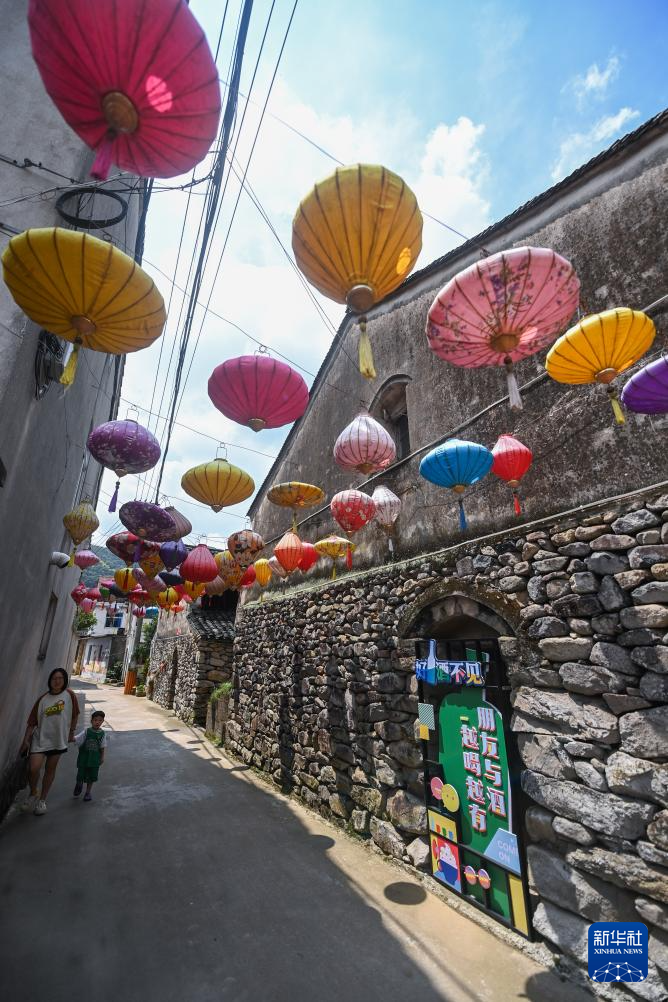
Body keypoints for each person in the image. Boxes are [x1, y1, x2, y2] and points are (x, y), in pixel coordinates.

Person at [20, 668, 80, 816]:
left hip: (58, 740)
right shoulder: (43, 699)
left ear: (64, 680)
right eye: (54, 678)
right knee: (33, 769)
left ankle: (42, 801)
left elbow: (75, 715)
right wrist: (26, 740)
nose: (57, 681)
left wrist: (71, 732)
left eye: (60, 678)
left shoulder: (69, 695)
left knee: (50, 770)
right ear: (50, 681)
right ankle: (33, 792)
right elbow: (32, 722)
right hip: (40, 740)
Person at [73, 710, 107, 801]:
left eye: (100, 720)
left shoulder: (102, 734)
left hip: (94, 759)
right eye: (95, 720)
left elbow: (102, 746)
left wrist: (102, 757)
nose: (97, 722)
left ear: (102, 721)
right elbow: (77, 739)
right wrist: (70, 737)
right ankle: (79, 784)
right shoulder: (86, 732)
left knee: (92, 776)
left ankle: (88, 792)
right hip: (84, 758)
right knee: (81, 774)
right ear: (91, 721)